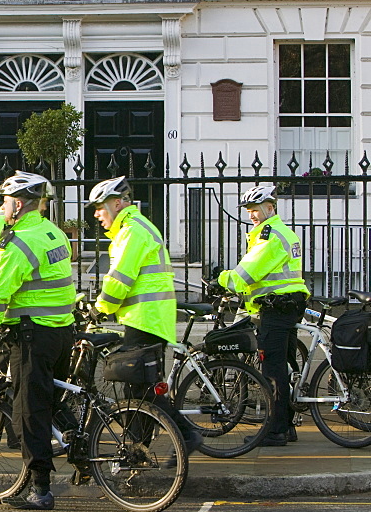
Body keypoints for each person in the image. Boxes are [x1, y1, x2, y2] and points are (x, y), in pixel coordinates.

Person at [0, 172, 76, 511]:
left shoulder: (17, 242)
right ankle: (81, 453)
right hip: (63, 332)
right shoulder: (53, 232)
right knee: (51, 403)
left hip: (33, 337)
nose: (1, 208)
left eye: (4, 201)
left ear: (17, 204)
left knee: (29, 413)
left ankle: (41, 489)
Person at [86, 176, 203, 452]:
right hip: (146, 318)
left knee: (143, 389)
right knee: (137, 389)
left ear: (116, 204)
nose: (96, 214)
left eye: (100, 207)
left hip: (145, 319)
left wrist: (99, 308)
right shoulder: (134, 228)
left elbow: (119, 279)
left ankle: (185, 437)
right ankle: (137, 447)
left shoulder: (132, 231)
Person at [213, 185, 309, 446]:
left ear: (271, 208)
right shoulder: (281, 232)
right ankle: (287, 426)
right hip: (286, 306)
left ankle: (276, 431)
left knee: (273, 371)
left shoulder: (270, 237)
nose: (252, 215)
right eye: (249, 211)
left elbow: (246, 275)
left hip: (276, 309)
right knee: (284, 366)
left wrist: (220, 279)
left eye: (256, 210)